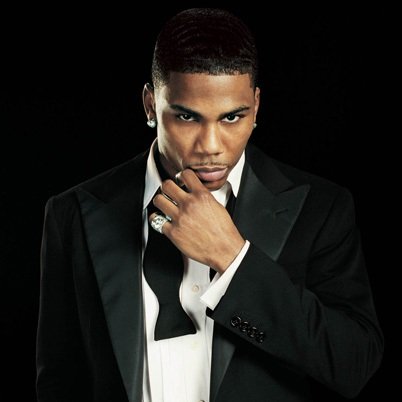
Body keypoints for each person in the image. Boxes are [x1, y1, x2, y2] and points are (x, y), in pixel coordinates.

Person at [36, 7, 383, 402]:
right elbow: (59, 381)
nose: (212, 146)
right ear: (150, 105)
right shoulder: (74, 214)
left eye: (232, 118)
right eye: (187, 117)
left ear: (256, 106)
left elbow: (354, 364)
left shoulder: (320, 208)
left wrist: (233, 259)